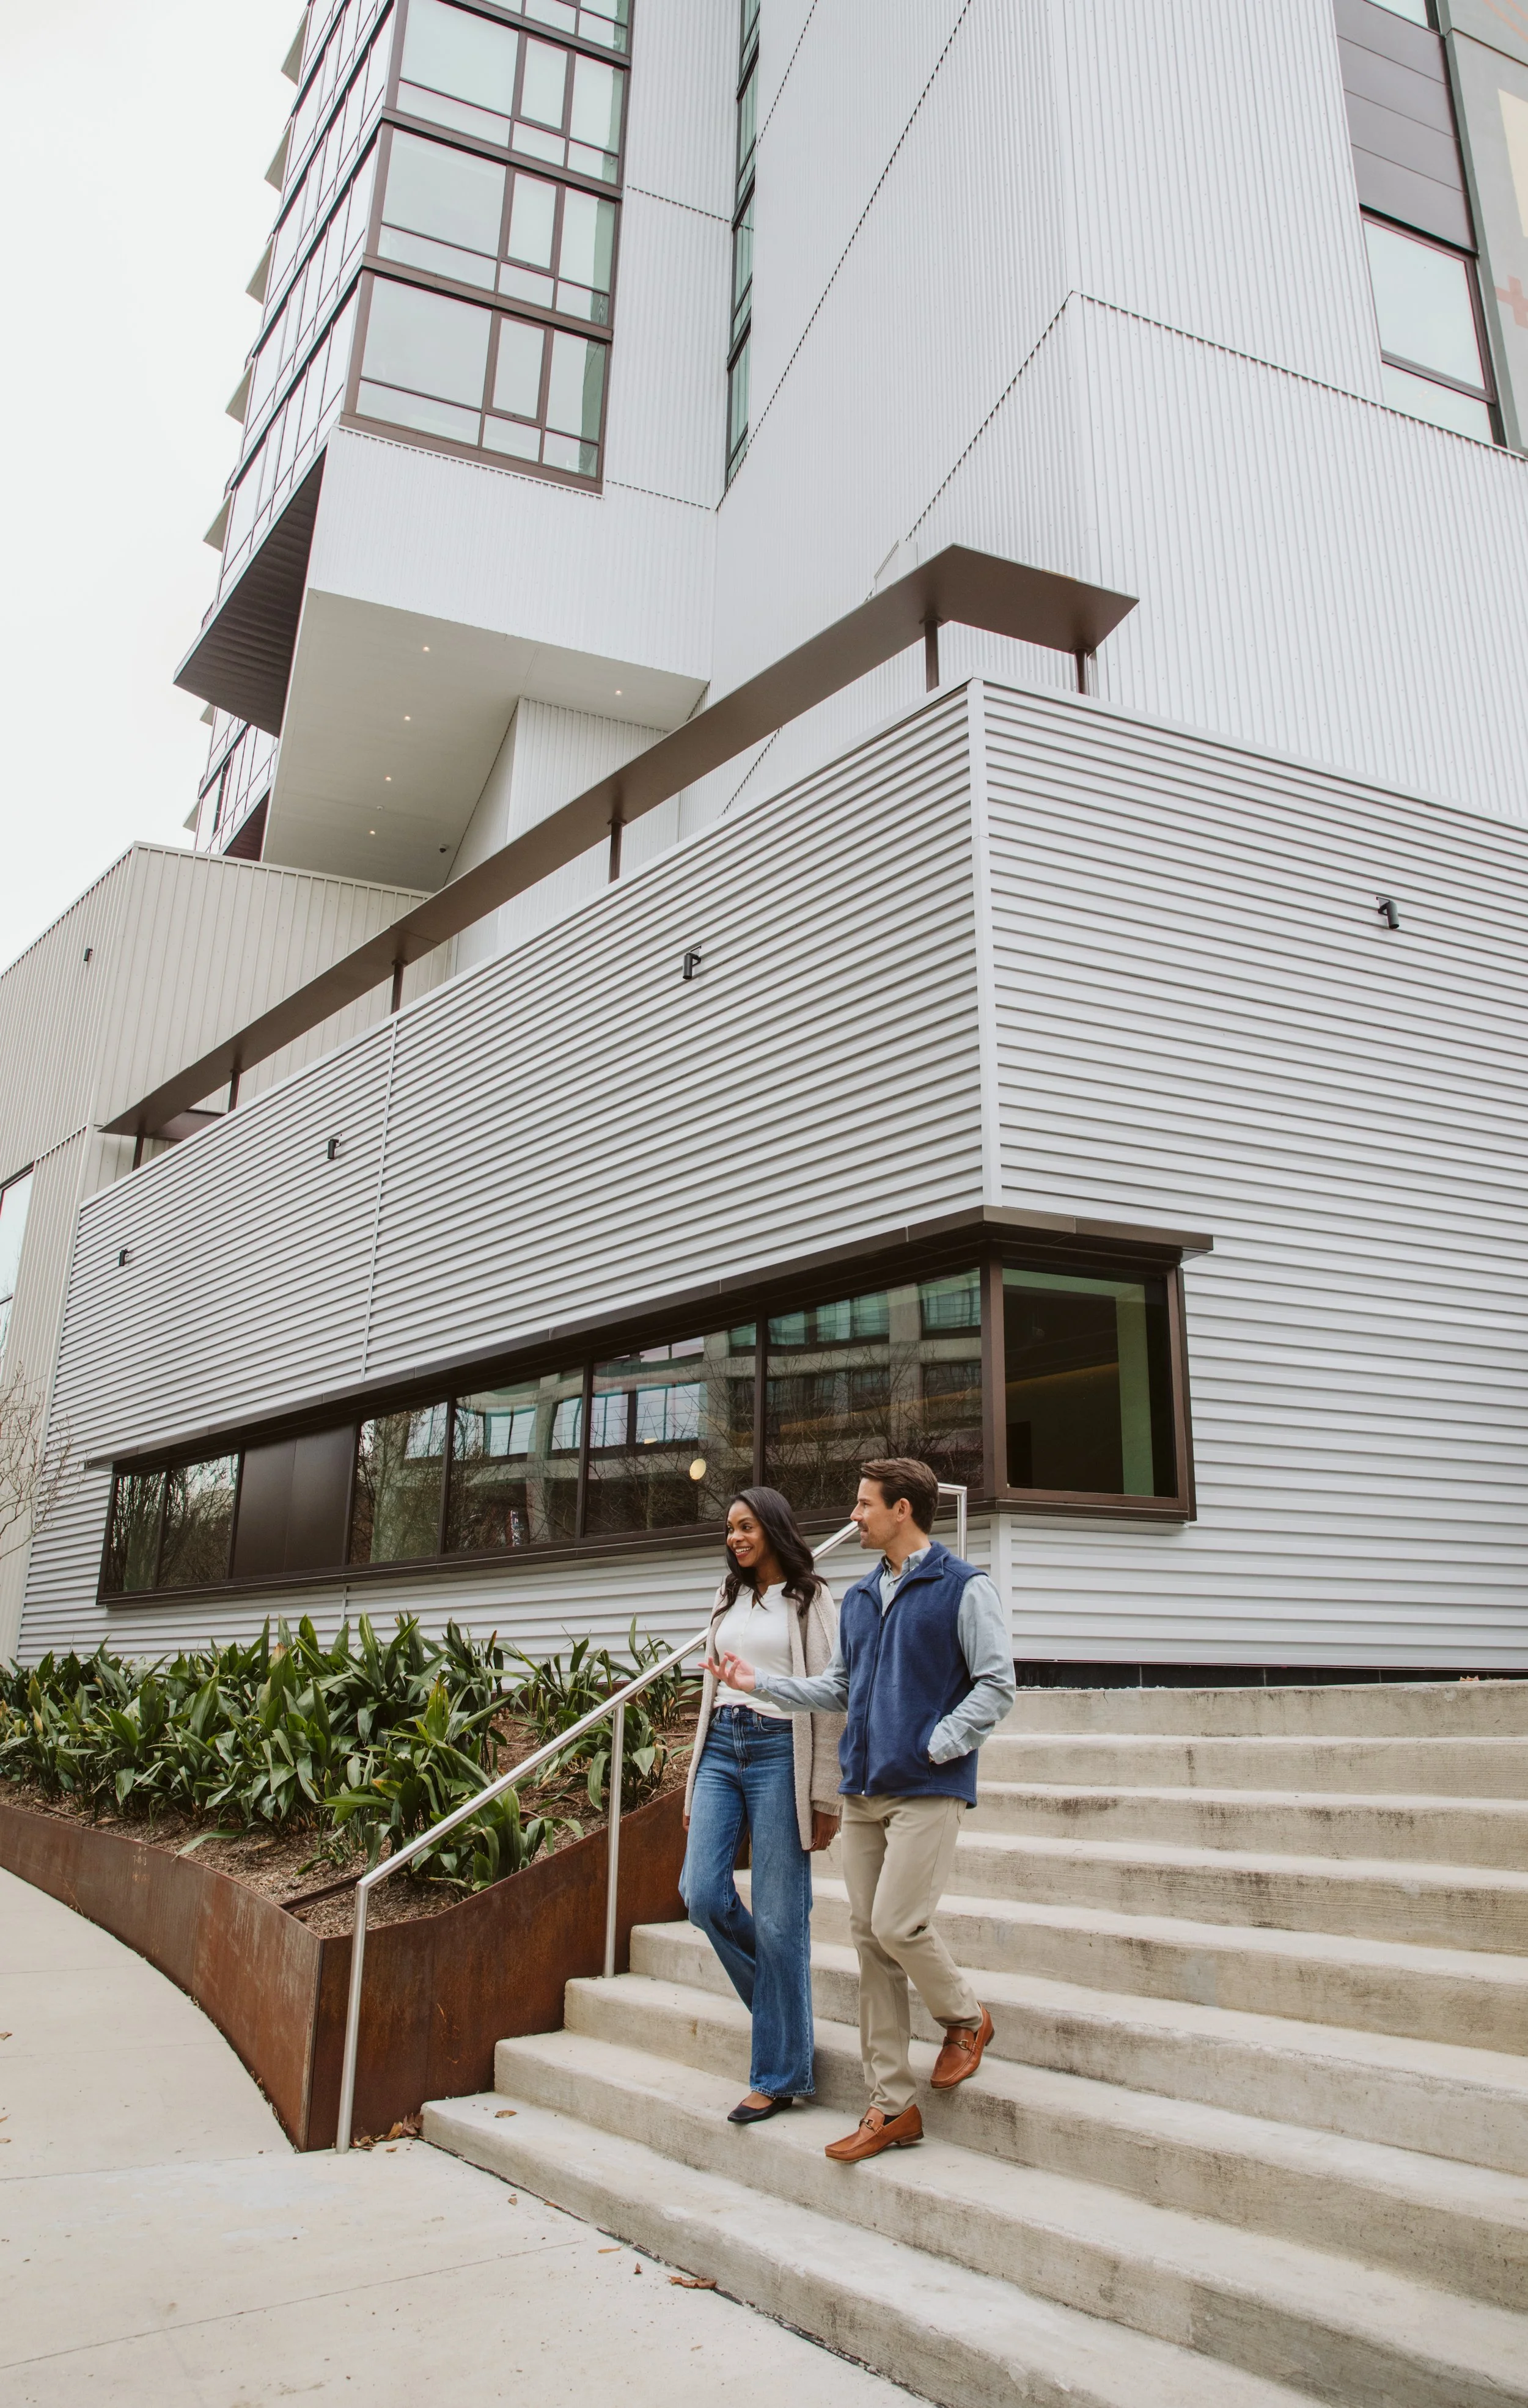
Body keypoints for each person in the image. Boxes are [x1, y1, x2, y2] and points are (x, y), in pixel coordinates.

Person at [708, 1455, 1016, 2163]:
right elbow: (840, 1687)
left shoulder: (963, 1588)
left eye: (863, 1505)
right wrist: (765, 1684)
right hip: (864, 1790)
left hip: (926, 1788)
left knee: (896, 1924)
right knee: (871, 1946)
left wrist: (940, 1741)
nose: (853, 1517)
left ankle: (966, 2017)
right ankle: (891, 2106)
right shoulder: (860, 1597)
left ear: (901, 1508)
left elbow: (996, 1685)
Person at [683, 1487, 844, 2124]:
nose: (734, 1538)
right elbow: (710, 1689)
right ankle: (788, 2028)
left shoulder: (810, 1598)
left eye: (745, 1526)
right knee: (700, 1893)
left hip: (783, 1749)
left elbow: (833, 1694)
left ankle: (777, 2074)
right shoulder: (727, 1595)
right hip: (721, 1749)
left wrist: (825, 1792)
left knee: (780, 1919)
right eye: (729, 1529)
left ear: (773, 1526)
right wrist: (696, 1775)